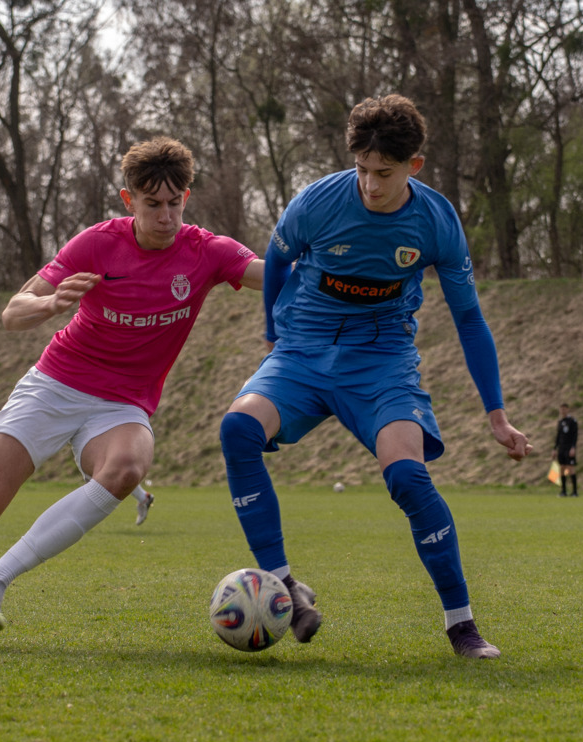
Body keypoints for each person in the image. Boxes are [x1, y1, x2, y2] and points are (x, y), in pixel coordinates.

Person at [0, 136, 264, 644]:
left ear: (186, 196)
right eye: (152, 204)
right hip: (56, 385)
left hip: (122, 403)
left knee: (126, 468)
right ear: (129, 200)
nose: (166, 216)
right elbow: (13, 312)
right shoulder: (97, 244)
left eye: (175, 203)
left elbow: (276, 275)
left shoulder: (207, 251)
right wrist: (51, 303)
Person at [218, 94, 531, 660]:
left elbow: (469, 318)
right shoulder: (318, 202)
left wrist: (496, 414)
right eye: (361, 168)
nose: (369, 184)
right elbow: (278, 258)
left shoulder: (435, 221)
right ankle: (285, 587)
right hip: (304, 349)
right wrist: (272, 332)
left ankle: (461, 626)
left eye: (383, 173)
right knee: (237, 430)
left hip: (382, 359)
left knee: (408, 478)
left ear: (414, 165)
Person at [552, 403, 579, 497]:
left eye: (564, 409)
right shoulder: (560, 421)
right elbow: (558, 436)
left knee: (571, 468)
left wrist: (573, 447)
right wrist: (555, 449)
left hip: (569, 448)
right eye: (561, 409)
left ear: (568, 409)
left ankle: (575, 492)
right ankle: (563, 491)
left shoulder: (572, 421)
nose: (562, 411)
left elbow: (575, 435)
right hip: (561, 448)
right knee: (562, 468)